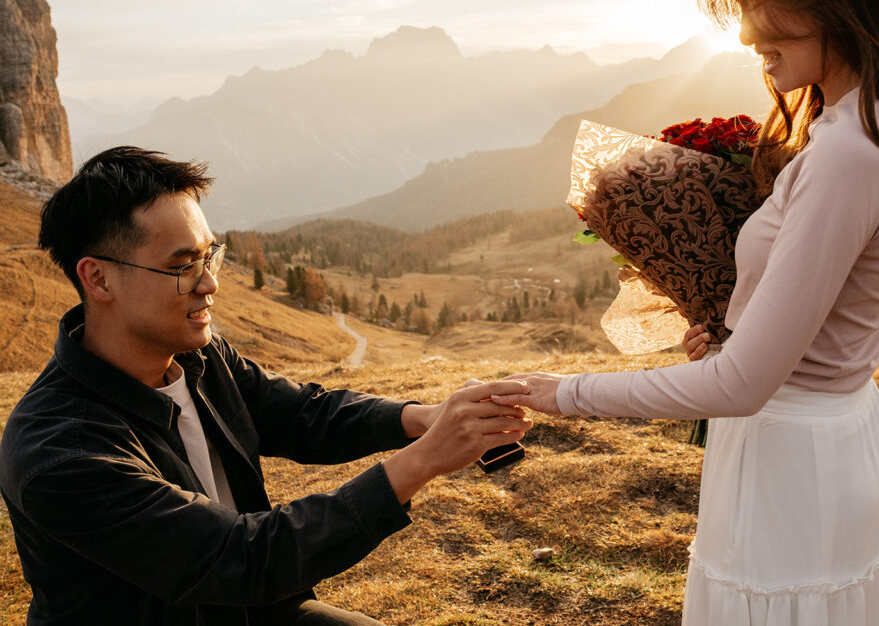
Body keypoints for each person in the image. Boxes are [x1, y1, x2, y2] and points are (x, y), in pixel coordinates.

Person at [492, 0, 879, 623]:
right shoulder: (868, 125)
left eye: (761, 2)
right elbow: (801, 335)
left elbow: (744, 387)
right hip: (823, 435)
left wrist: (561, 393)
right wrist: (736, 339)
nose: (747, 31)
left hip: (787, 460)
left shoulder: (847, 154)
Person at [0, 146, 533, 625]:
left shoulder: (200, 357)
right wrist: (423, 460)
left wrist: (423, 417)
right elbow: (238, 559)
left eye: (210, 256)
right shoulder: (59, 451)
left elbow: (304, 415)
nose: (209, 283)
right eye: (182, 266)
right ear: (98, 278)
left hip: (261, 612)